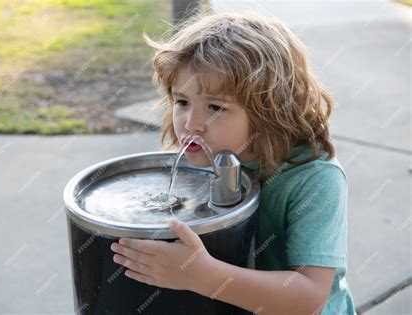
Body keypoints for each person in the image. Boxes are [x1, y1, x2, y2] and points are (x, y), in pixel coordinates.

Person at [110, 11, 355, 314]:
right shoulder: (200, 160)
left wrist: (202, 276)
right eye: (182, 102)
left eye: (215, 107)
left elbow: (310, 297)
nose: (192, 123)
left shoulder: (313, 180)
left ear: (269, 111)